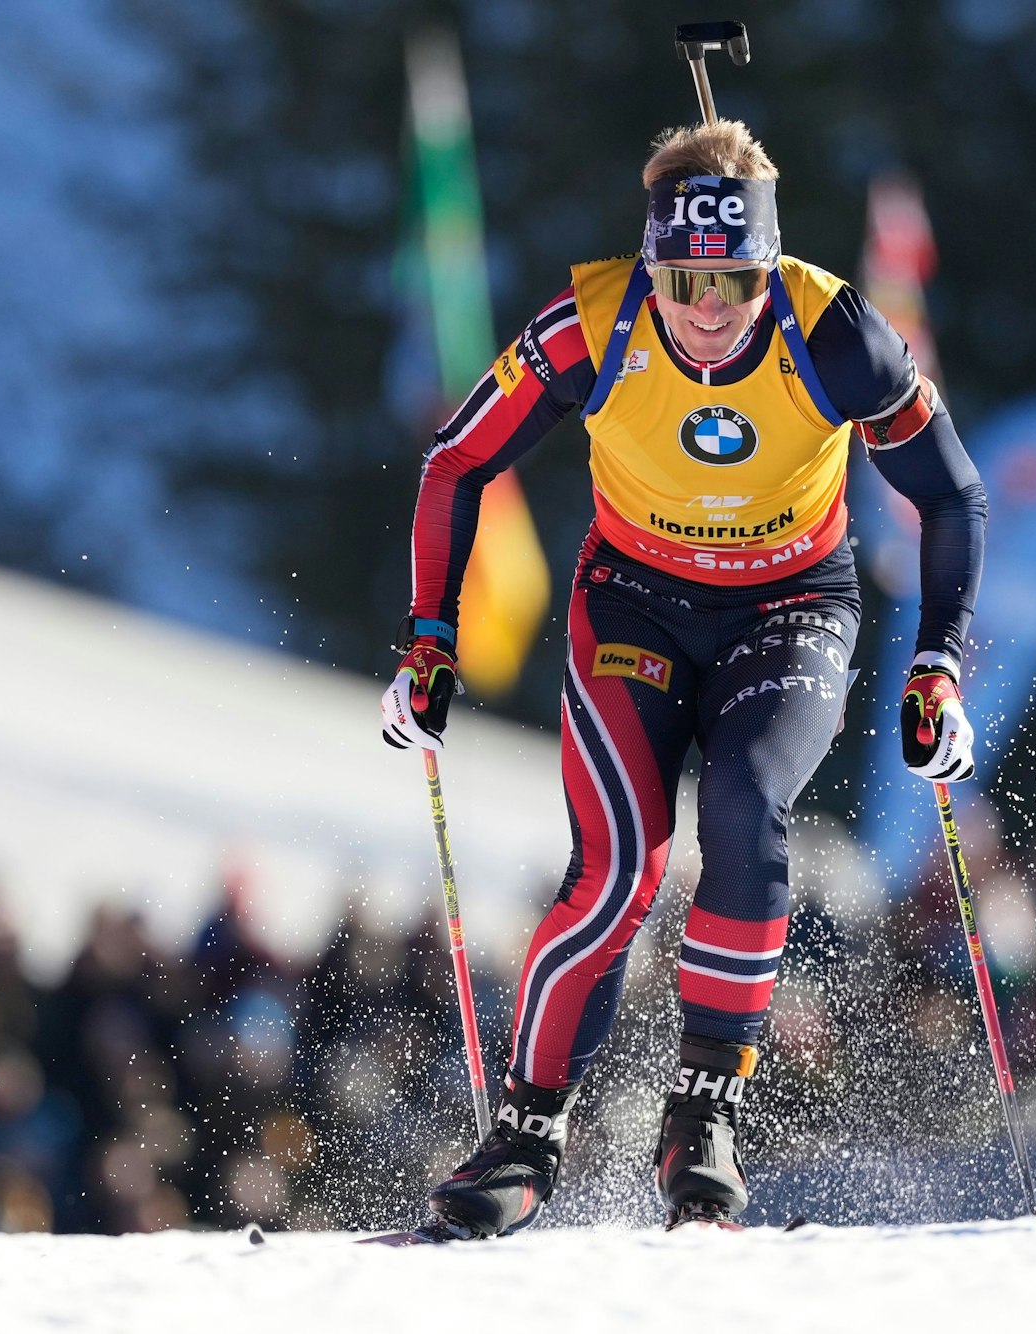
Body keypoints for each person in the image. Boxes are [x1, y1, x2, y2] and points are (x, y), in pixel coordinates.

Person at [380, 119, 986, 1234]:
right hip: (635, 604)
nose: (709, 308)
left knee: (749, 811)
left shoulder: (839, 330)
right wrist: (429, 639)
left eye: (736, 281)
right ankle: (526, 1130)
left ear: (769, 267)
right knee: (618, 872)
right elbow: (457, 456)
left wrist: (937, 663)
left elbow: (950, 495)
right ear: (654, 265)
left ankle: (701, 1113)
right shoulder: (594, 322)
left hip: (792, 604)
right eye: (685, 280)